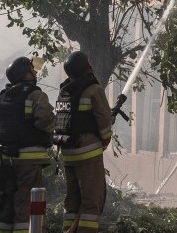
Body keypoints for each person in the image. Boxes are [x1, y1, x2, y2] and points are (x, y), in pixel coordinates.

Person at [0, 56, 55, 233]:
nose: (35, 72)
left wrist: (9, 135)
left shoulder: (2, 98)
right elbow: (44, 121)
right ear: (26, 73)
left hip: (6, 159)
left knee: (5, 204)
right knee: (26, 203)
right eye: (33, 69)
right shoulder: (36, 95)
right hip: (29, 161)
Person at [54, 51, 114, 232]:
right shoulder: (93, 90)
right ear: (86, 67)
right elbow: (104, 123)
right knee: (91, 202)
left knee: (72, 200)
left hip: (68, 154)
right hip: (88, 154)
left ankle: (68, 230)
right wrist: (103, 142)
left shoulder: (64, 91)